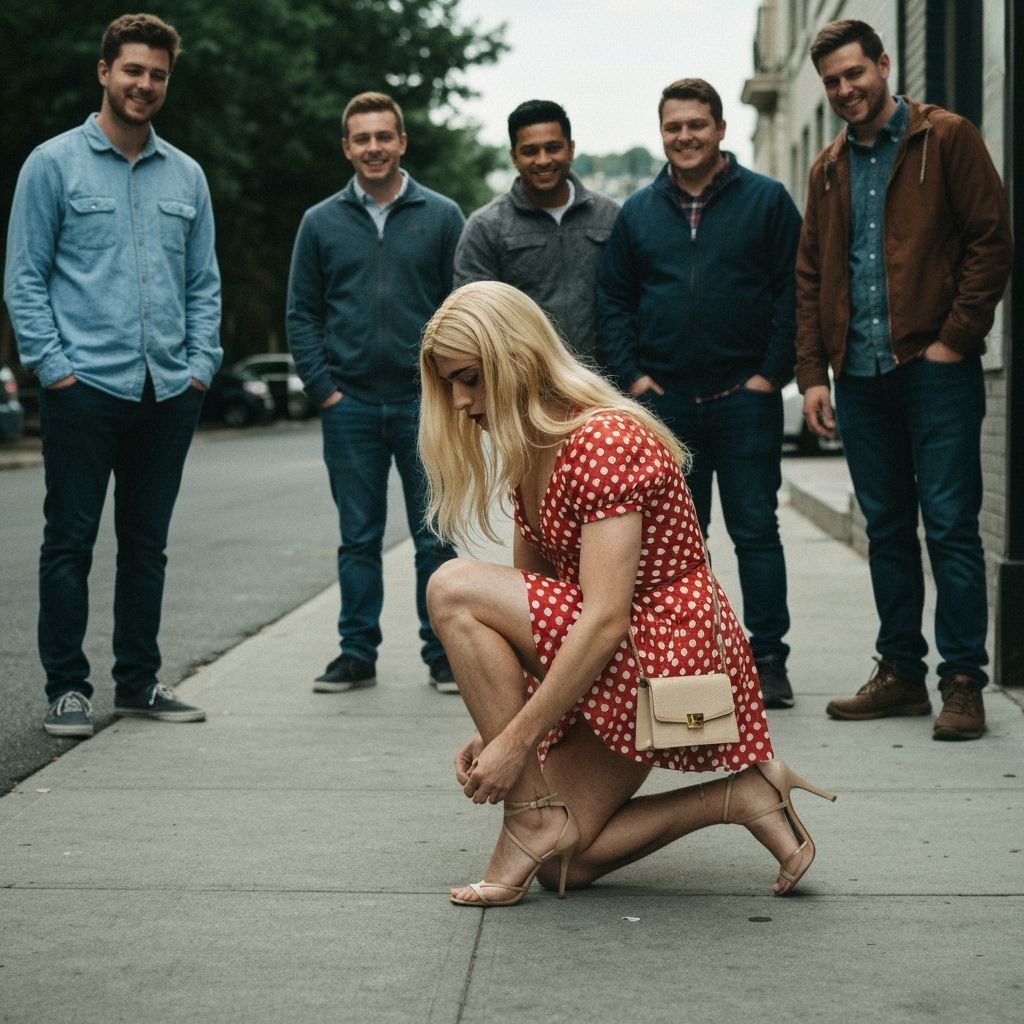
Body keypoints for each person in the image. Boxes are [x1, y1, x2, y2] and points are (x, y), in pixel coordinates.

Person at [418, 281, 836, 906]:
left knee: (451, 586)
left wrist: (516, 740)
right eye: (451, 384)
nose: (459, 401)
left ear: (516, 359)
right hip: (620, 654)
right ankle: (742, 795)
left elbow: (606, 616)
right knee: (563, 864)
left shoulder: (603, 441)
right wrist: (498, 721)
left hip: (663, 657)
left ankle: (528, 816)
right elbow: (537, 609)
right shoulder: (530, 450)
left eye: (470, 378)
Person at [4, 13, 221, 738]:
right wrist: (55, 370)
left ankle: (138, 682)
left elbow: (203, 284)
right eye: (133, 70)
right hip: (84, 389)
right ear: (104, 71)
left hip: (168, 390)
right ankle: (67, 688)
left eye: (158, 74)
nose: (145, 85)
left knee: (147, 544)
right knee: (69, 542)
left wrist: (200, 367)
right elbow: (24, 278)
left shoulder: (186, 174)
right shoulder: (53, 164)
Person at [796, 20, 1013, 740]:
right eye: (831, 81)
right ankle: (901, 673)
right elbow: (809, 277)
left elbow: (991, 239)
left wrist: (958, 340)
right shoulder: (826, 166)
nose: (844, 90)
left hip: (935, 371)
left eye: (854, 73)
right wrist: (815, 375)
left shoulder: (945, 138)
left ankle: (962, 682)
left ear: (884, 65)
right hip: (859, 376)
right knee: (887, 529)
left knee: (950, 528)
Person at [597, 78, 802, 709]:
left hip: (745, 397)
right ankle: (691, 660)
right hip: (665, 407)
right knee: (675, 547)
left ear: (719, 129)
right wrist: (634, 382)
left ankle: (767, 660)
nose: (685, 136)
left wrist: (771, 374)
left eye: (696, 124)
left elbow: (795, 293)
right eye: (673, 126)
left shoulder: (766, 202)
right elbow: (614, 303)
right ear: (662, 133)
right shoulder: (637, 212)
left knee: (755, 531)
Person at [286, 92, 464, 694]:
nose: (373, 148)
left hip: (426, 405)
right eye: (361, 139)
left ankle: (443, 655)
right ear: (347, 147)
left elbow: (463, 309)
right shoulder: (320, 221)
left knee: (435, 535)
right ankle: (356, 653)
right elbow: (302, 312)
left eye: (383, 136)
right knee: (358, 538)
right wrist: (324, 391)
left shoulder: (441, 216)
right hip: (351, 406)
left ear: (402, 142)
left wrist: (450, 390)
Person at [453, 99, 619, 361]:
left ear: (571, 149)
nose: (543, 160)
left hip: (604, 383)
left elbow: (632, 301)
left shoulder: (610, 216)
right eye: (530, 151)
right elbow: (476, 320)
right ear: (514, 156)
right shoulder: (485, 227)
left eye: (553, 148)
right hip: (526, 388)